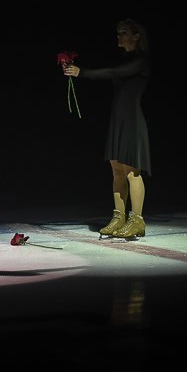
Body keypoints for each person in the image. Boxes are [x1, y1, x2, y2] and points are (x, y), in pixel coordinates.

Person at [63, 18, 151, 239]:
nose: (119, 36)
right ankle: (118, 217)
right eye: (118, 32)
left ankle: (137, 220)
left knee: (132, 171)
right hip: (118, 120)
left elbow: (113, 72)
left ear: (136, 35)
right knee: (117, 171)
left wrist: (82, 72)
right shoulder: (125, 58)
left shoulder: (141, 60)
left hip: (132, 120)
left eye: (123, 32)